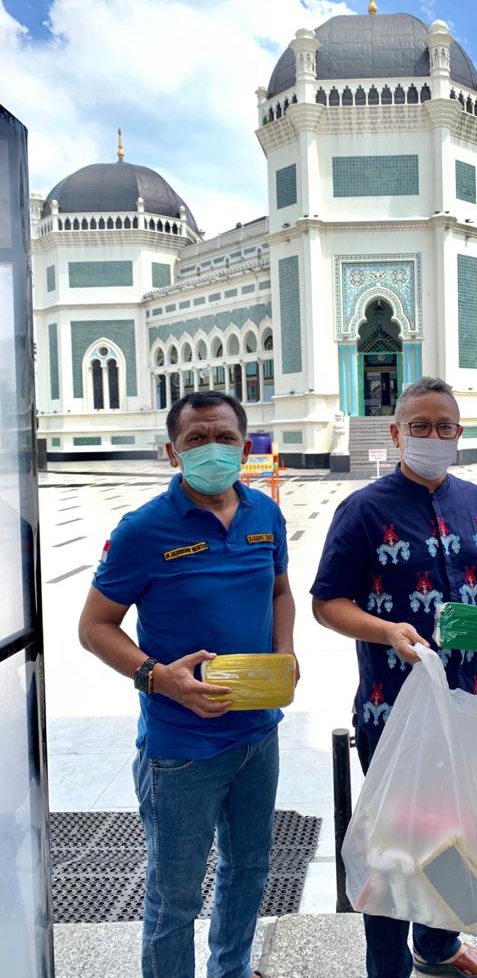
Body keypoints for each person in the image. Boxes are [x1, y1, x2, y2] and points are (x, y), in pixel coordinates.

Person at [311, 376, 477, 978]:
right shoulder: (363, 510)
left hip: (468, 705)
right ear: (396, 433)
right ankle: (387, 966)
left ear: (459, 432)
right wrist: (386, 631)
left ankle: (438, 946)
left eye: (444, 426)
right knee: (396, 844)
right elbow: (327, 602)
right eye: (420, 426)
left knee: (457, 832)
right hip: (394, 713)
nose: (433, 436)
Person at [79, 391, 296, 978]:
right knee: (174, 896)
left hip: (258, 732)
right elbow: (94, 627)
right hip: (181, 749)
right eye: (196, 439)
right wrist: (158, 678)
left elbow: (280, 591)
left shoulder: (265, 514)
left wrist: (284, 650)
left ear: (245, 447)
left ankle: (232, 968)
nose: (212, 449)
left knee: (248, 869)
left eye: (224, 437)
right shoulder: (143, 530)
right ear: (173, 451)